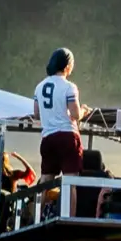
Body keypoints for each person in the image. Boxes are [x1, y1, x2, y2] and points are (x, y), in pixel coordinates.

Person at [36, 48, 84, 183]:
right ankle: (69, 199)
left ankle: (40, 198)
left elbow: (36, 114)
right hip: (67, 137)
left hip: (48, 137)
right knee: (70, 181)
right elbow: (76, 114)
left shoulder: (39, 87)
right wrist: (84, 110)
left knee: (46, 179)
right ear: (67, 66)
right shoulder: (69, 87)